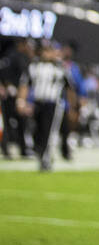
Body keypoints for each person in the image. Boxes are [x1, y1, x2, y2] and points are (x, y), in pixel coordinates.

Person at [17, 43, 76, 172]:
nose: (48, 54)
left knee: (49, 132)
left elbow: (70, 89)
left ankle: (46, 159)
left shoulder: (61, 68)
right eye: (46, 51)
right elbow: (25, 85)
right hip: (37, 103)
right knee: (36, 131)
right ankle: (41, 153)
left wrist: (72, 108)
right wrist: (21, 101)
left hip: (53, 104)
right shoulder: (33, 66)